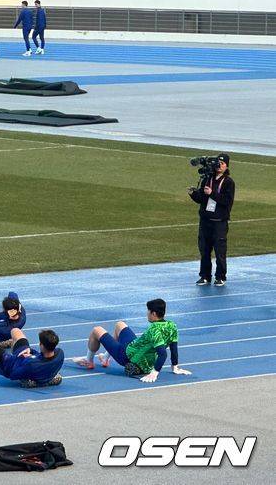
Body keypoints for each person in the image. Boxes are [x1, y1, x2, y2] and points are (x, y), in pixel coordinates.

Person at [73, 299, 192, 383]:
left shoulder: (154, 330)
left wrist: (155, 372)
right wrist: (175, 366)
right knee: (120, 324)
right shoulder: (172, 326)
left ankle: (89, 361)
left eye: (148, 311)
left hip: (127, 355)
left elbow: (163, 353)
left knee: (96, 330)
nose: (147, 314)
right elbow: (173, 347)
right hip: (135, 346)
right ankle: (105, 358)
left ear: (154, 313)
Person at [189, 153, 235, 287]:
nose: (219, 166)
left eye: (222, 164)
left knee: (220, 252)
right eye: (218, 163)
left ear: (226, 166)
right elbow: (202, 199)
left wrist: (212, 193)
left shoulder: (228, 182)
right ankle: (205, 276)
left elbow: (227, 201)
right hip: (205, 220)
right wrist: (193, 194)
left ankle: (220, 277)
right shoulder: (208, 179)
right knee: (204, 250)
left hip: (219, 222)